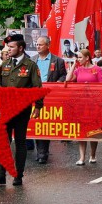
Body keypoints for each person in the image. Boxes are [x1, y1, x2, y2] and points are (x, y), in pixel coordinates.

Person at [0, 34, 43, 187]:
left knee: (20, 141)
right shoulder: (5, 64)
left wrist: (37, 106)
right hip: (5, 109)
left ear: (21, 48)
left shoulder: (30, 65)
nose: (8, 49)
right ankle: (0, 174)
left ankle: (18, 174)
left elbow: (37, 87)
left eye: (11, 47)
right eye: (8, 47)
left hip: (21, 110)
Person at [31, 35, 67, 164]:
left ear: (47, 46)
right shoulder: (32, 60)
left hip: (50, 96)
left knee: (45, 123)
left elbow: (64, 75)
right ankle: (40, 151)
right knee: (36, 122)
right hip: (35, 95)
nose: (38, 46)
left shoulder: (57, 61)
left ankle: (43, 152)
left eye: (40, 44)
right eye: (37, 44)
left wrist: (57, 83)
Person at [66, 49, 102, 165]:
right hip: (81, 104)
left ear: (87, 57)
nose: (78, 59)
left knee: (93, 131)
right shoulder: (79, 70)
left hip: (94, 104)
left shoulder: (97, 69)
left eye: (79, 57)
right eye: (77, 57)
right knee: (82, 131)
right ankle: (82, 157)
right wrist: (73, 64)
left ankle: (93, 154)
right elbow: (68, 79)